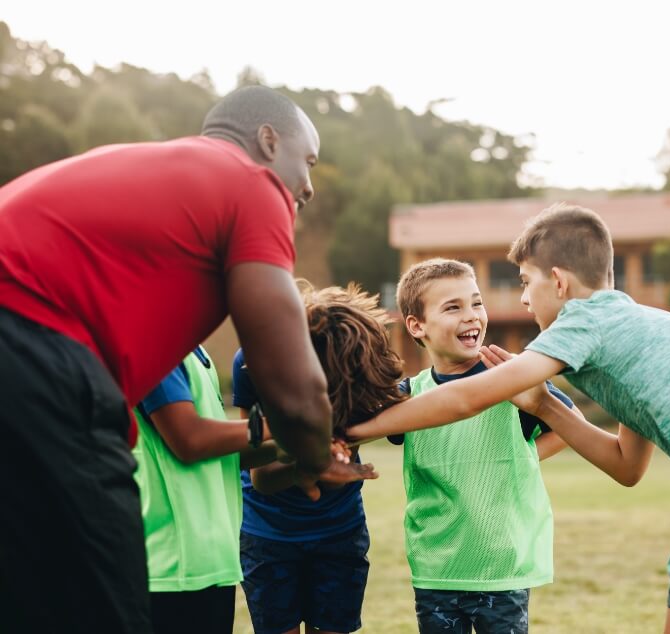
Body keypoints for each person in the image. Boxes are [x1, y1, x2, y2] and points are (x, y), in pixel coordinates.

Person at [349, 205, 670, 634]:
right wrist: (544, 407)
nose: (521, 301)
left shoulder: (585, 320)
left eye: (524, 283)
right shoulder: (635, 336)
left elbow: (464, 399)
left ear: (557, 282)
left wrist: (354, 429)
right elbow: (626, 467)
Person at [0, 85, 333, 633]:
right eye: (309, 161)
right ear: (269, 141)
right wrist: (316, 453)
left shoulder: (153, 175)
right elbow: (293, 386)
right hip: (33, 349)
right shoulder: (251, 184)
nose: (309, 186)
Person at [376, 258, 574, 634]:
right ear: (417, 325)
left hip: (502, 571)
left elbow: (570, 425)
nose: (471, 316)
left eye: (476, 303)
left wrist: (525, 456)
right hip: (437, 572)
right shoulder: (409, 395)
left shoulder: (511, 382)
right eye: (453, 307)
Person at [234, 282, 406, 634]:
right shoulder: (255, 362)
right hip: (267, 531)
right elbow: (260, 475)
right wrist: (309, 463)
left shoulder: (358, 367)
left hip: (339, 528)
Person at [134, 344, 283, 634]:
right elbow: (189, 440)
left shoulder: (194, 351)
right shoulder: (153, 346)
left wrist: (302, 445)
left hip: (211, 561)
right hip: (172, 566)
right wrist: (289, 424)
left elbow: (223, 452)